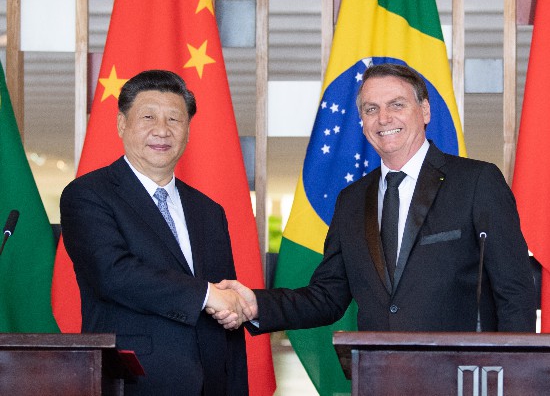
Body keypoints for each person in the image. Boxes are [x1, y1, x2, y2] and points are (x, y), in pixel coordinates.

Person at [213, 63, 537, 334]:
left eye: (397, 105)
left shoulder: (477, 181)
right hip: (376, 374)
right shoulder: (351, 200)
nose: (383, 118)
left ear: (424, 111)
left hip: (463, 375)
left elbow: (514, 291)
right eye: (371, 109)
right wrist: (255, 304)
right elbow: (327, 297)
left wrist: (512, 375)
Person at [60, 69, 248, 396]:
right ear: (122, 124)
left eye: (174, 119)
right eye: (148, 117)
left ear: (187, 130)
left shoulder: (209, 211)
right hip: (134, 380)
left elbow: (226, 306)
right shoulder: (88, 194)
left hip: (211, 382)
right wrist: (206, 295)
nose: (162, 130)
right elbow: (112, 274)